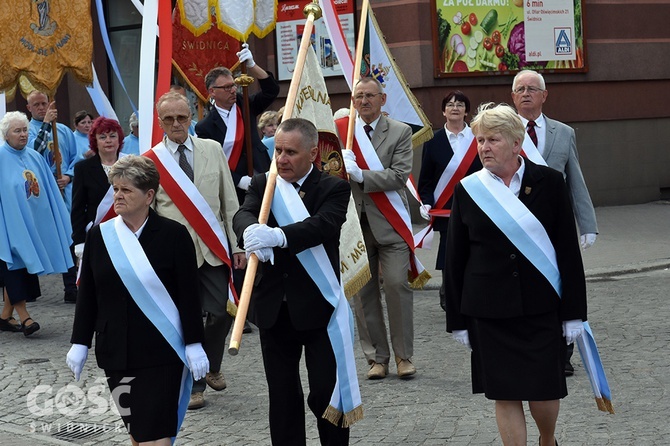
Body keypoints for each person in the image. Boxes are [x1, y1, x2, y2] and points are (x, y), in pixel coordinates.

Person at [444, 103, 588, 446]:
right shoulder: (468, 189)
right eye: (480, 140)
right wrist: (457, 319)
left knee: (543, 390)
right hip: (488, 311)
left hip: (540, 307)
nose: (484, 147)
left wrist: (574, 314)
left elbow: (568, 252)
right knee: (504, 394)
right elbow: (455, 259)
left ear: (516, 143)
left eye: (492, 139)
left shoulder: (550, 183)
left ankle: (547, 439)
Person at [233, 118, 361, 445]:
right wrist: (249, 231)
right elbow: (243, 214)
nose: (282, 158)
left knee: (325, 393)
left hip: (319, 309)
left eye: (290, 152)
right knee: (283, 396)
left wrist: (276, 236)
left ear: (313, 153)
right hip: (274, 308)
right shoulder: (265, 184)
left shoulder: (333, 187)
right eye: (277, 150)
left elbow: (323, 226)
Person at [67, 155, 208, 445]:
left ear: (149, 196)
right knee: (138, 431)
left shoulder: (174, 235)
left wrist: (195, 342)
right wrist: (80, 342)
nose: (118, 196)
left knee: (154, 435)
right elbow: (89, 294)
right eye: (116, 189)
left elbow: (189, 295)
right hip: (116, 351)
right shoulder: (100, 236)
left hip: (161, 351)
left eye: (126, 190)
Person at [147, 91, 244, 410]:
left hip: (212, 247)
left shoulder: (212, 149)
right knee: (184, 319)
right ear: (159, 121)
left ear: (192, 116)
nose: (177, 124)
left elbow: (230, 201)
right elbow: (150, 213)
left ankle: (212, 364)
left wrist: (237, 244)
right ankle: (195, 382)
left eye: (182, 117)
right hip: (174, 256)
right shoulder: (151, 160)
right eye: (169, 119)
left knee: (219, 313)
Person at [511, 69, 598, 376]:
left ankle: (563, 353)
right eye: (520, 89)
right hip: (517, 225)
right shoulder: (506, 133)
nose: (525, 93)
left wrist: (587, 223)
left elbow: (575, 179)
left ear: (544, 96)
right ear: (512, 97)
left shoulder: (564, 132)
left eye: (532, 88)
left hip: (555, 225)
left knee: (563, 284)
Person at [339, 77, 417, 380]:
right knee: (362, 293)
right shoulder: (344, 133)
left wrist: (361, 175)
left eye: (370, 96)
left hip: (390, 223)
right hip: (356, 225)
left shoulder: (399, 131)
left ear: (382, 99)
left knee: (397, 285)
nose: (364, 101)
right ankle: (377, 358)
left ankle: (403, 356)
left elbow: (399, 176)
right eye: (358, 96)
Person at [0, 112, 73, 335]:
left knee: (23, 267)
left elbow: (48, 190)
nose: (22, 135)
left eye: (24, 130)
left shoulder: (34, 156)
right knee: (14, 267)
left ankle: (4, 316)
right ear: (6, 135)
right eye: (17, 131)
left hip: (32, 225)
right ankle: (26, 318)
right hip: (7, 226)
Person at [417, 90, 482, 311]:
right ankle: (449, 292)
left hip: (476, 207)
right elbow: (425, 179)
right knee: (449, 251)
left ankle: (474, 292)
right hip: (445, 209)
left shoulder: (478, 139)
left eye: (461, 104)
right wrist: (425, 202)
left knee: (475, 250)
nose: (455, 107)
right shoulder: (433, 141)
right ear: (443, 111)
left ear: (467, 111)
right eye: (451, 104)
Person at [195, 43, 280, 204]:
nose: (233, 90)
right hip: (233, 185)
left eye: (233, 85)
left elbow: (272, 91)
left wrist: (252, 66)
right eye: (227, 87)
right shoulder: (204, 127)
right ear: (212, 91)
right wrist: (239, 180)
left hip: (261, 173)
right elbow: (212, 163)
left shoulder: (245, 105)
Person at [26, 90, 79, 302]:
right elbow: (34, 153)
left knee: (69, 236)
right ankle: (29, 288)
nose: (41, 108)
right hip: (42, 194)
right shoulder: (27, 131)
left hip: (63, 191)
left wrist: (68, 175)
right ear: (28, 108)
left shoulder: (64, 131)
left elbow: (75, 158)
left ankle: (71, 287)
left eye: (44, 103)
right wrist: (46, 125)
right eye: (36, 105)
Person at [71, 117, 126, 267]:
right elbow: (78, 208)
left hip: (128, 231)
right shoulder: (83, 168)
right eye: (102, 137)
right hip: (98, 233)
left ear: (119, 139)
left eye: (112, 136)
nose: (108, 140)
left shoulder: (131, 164)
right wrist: (80, 241)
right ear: (95, 141)